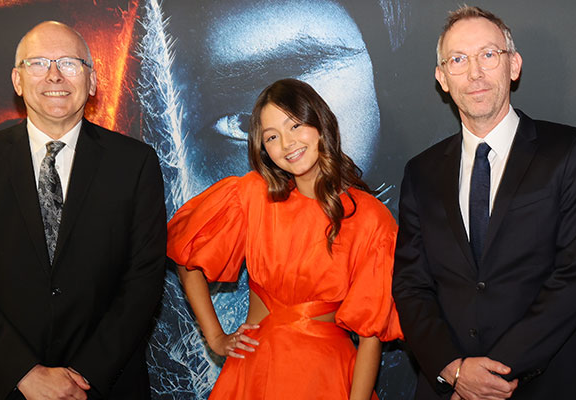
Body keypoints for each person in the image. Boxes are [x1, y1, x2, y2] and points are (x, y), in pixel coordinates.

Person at [0, 21, 167, 399]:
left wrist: (84, 375)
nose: (55, 75)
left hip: (104, 384)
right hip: (2, 385)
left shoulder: (135, 163)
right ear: (17, 80)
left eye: (70, 63)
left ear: (91, 82)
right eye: (38, 63)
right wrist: (23, 373)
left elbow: (144, 278)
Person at [392, 6, 576, 399]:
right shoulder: (420, 172)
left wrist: (488, 376)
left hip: (550, 384)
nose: (474, 72)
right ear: (442, 78)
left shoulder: (570, 151)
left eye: (488, 55)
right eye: (458, 60)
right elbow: (411, 285)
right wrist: (454, 371)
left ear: (514, 65)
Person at [166, 78, 401, 400]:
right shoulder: (251, 195)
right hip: (252, 375)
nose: (288, 143)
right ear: (263, 149)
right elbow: (186, 256)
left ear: (321, 125)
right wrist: (216, 337)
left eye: (295, 126)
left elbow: (370, 337)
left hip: (327, 378)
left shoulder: (371, 218)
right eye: (272, 137)